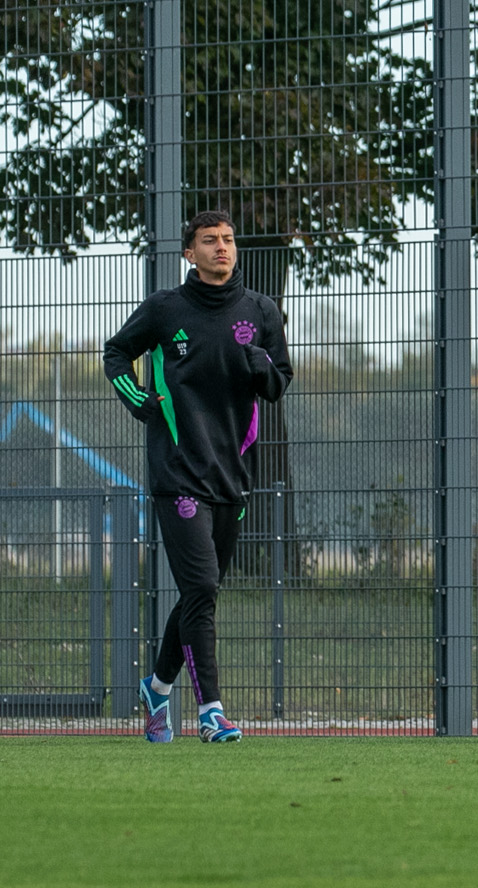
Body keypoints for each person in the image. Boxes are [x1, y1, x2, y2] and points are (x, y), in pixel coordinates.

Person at [105, 210, 294, 743]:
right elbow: (116, 352)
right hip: (177, 472)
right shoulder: (165, 310)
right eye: (209, 241)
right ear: (189, 253)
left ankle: (157, 686)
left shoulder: (261, 311)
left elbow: (280, 382)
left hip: (232, 476)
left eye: (228, 239)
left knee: (199, 594)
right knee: (203, 586)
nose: (221, 247)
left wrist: (261, 365)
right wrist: (139, 400)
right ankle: (212, 711)